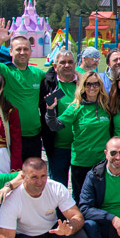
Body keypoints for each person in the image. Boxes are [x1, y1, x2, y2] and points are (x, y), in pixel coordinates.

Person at [0, 18, 47, 161]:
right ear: (10, 52)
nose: (22, 52)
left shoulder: (38, 73)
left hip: (34, 135)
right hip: (10, 134)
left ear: (30, 51)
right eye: (18, 49)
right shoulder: (4, 70)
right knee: (14, 174)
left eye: (25, 49)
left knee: (33, 174)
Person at [45, 71, 111, 202]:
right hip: (81, 161)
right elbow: (54, 125)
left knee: (100, 198)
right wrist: (50, 110)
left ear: (100, 86)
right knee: (81, 199)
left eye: (95, 84)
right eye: (88, 84)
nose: (92, 87)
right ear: (83, 86)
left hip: (101, 161)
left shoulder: (106, 106)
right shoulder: (76, 106)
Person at [40, 49, 78, 186]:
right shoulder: (47, 84)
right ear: (55, 66)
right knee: (58, 186)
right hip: (57, 147)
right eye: (62, 63)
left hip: (80, 147)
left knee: (80, 187)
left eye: (70, 62)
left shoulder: (84, 85)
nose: (67, 65)